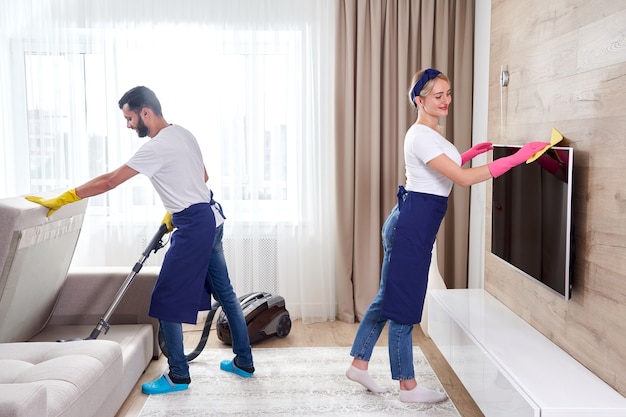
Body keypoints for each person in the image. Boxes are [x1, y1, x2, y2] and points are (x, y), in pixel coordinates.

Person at [25, 86, 255, 395]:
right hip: (212, 220)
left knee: (165, 300)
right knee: (225, 293)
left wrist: (65, 198)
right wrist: (175, 209)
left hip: (194, 225)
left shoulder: (155, 147)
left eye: (130, 118)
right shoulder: (183, 133)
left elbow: (110, 180)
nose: (129, 125)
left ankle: (178, 376)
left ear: (146, 112)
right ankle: (244, 362)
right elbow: (203, 178)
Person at [345, 68, 548, 403]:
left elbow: (437, 171)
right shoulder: (421, 135)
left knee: (388, 296)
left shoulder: (431, 133)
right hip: (411, 225)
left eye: (449, 93)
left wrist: (467, 155)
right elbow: (463, 180)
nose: (446, 101)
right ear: (419, 100)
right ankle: (407, 387)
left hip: (412, 221)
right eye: (438, 96)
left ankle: (359, 363)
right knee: (404, 303)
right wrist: (515, 159)